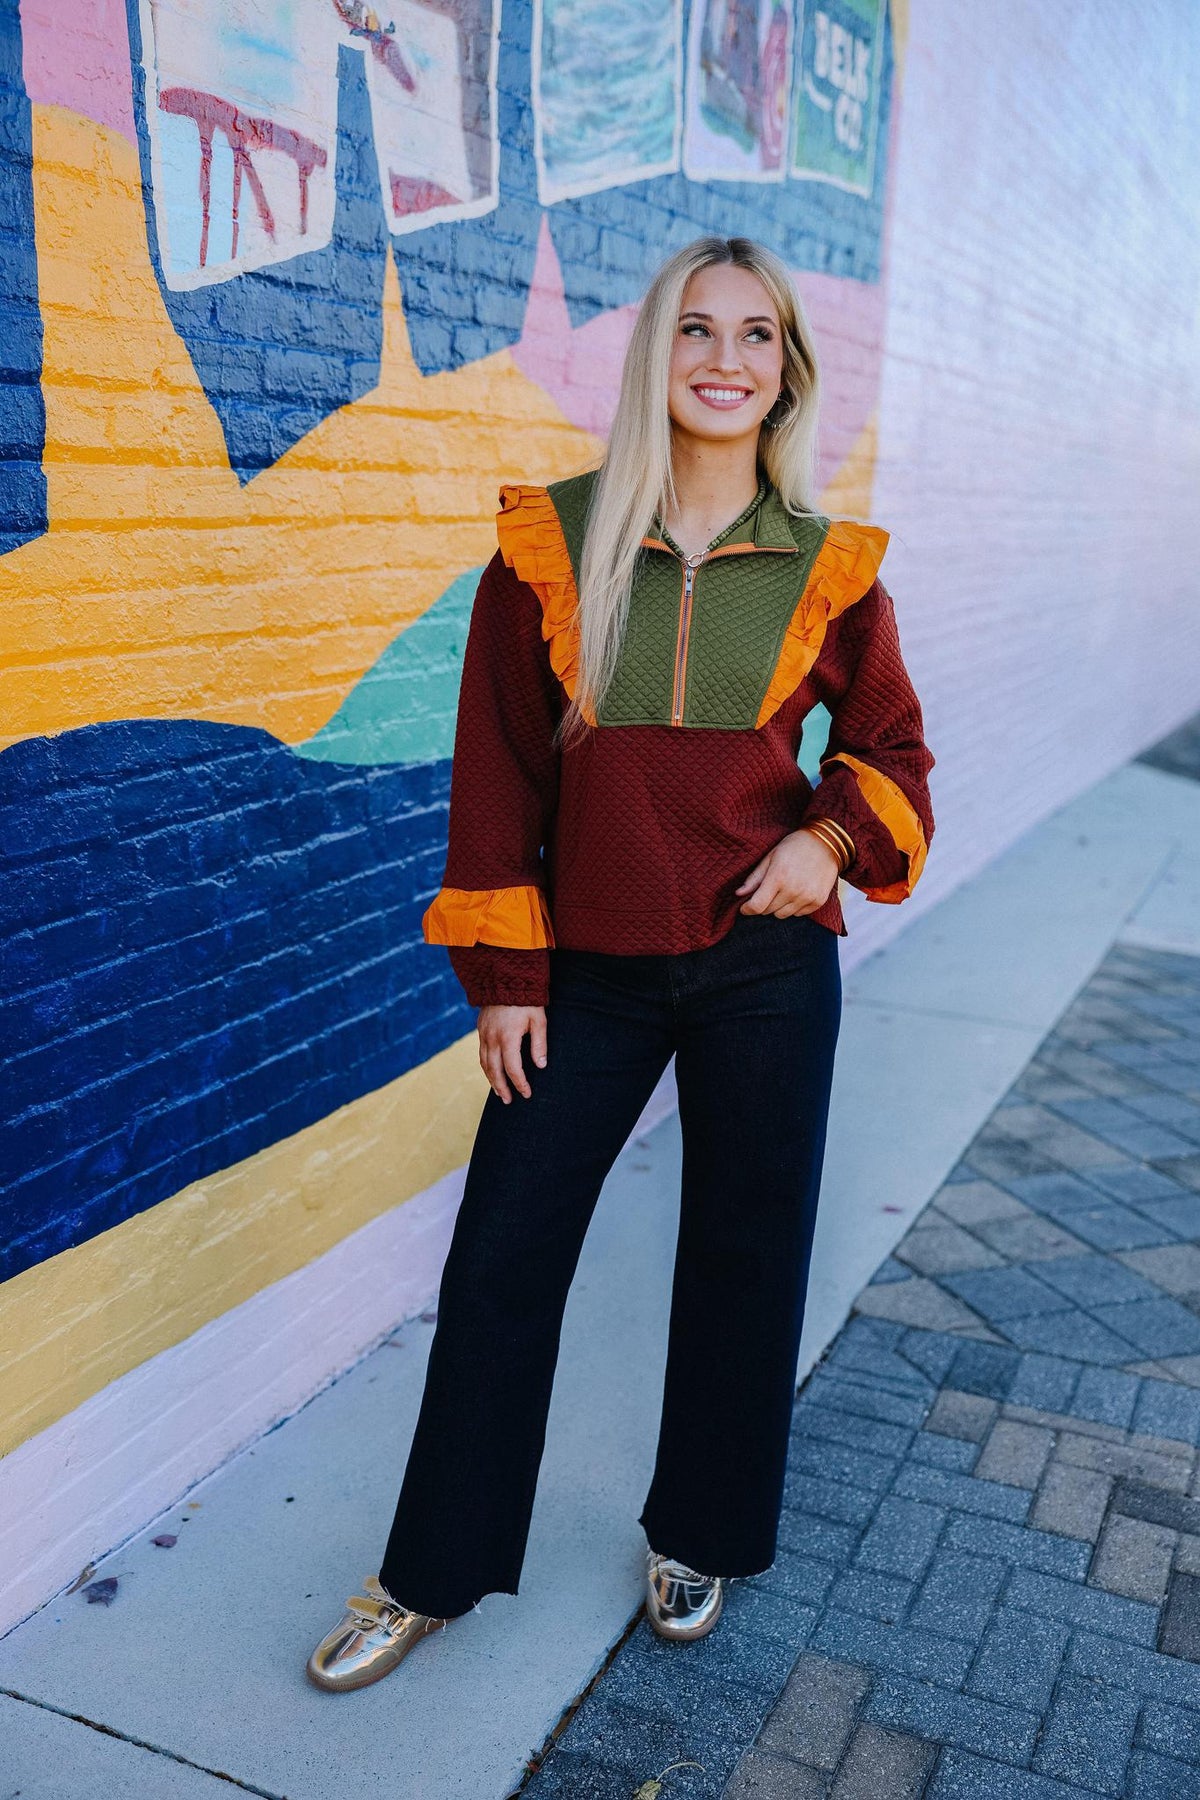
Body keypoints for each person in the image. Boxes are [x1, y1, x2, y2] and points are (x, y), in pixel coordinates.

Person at [306, 234, 935, 1693]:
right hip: (583, 975)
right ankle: (429, 1572)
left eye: (758, 336)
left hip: (766, 971)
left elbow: (894, 750)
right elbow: (498, 782)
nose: (726, 360)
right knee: (503, 1260)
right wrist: (508, 981)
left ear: (788, 371)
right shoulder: (549, 546)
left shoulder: (834, 572)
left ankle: (697, 1532)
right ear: (658, 358)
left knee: (742, 1255)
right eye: (697, 332)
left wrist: (830, 844)